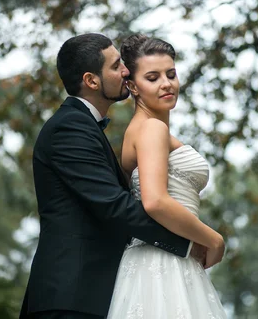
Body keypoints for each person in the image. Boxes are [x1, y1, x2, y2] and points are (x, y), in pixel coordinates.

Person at [19, 33, 207, 319]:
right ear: (92, 81)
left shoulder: (87, 128)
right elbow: (115, 205)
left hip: (94, 292)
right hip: (70, 296)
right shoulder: (69, 128)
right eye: (116, 65)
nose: (125, 71)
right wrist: (192, 242)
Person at [107, 35, 228, 318]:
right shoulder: (151, 129)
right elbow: (155, 201)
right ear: (133, 86)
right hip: (165, 261)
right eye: (153, 77)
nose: (166, 83)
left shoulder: (140, 130)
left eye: (171, 74)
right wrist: (214, 240)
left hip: (162, 257)